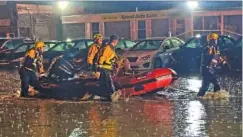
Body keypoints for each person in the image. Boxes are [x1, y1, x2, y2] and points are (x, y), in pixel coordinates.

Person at [197, 33, 228, 98]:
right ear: (210, 41)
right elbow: (210, 58)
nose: (215, 41)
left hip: (212, 70)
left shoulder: (216, 48)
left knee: (217, 86)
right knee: (205, 86)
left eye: (216, 39)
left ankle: (215, 98)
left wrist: (223, 61)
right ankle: (199, 97)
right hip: (206, 71)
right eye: (213, 40)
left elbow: (217, 56)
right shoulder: (208, 49)